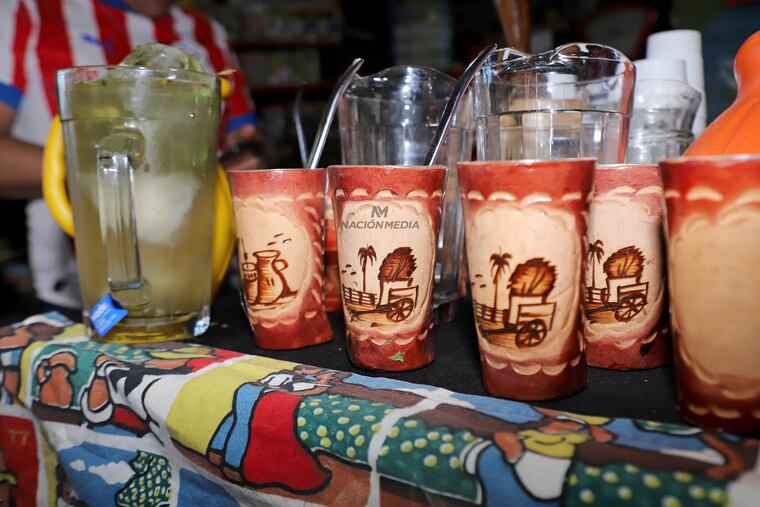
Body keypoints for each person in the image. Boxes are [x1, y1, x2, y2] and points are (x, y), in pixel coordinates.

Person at [0, 0, 258, 310]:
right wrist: (111, 173)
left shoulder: (207, 30)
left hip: (206, 281)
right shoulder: (27, 10)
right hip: (79, 291)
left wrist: (244, 159)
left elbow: (246, 142)